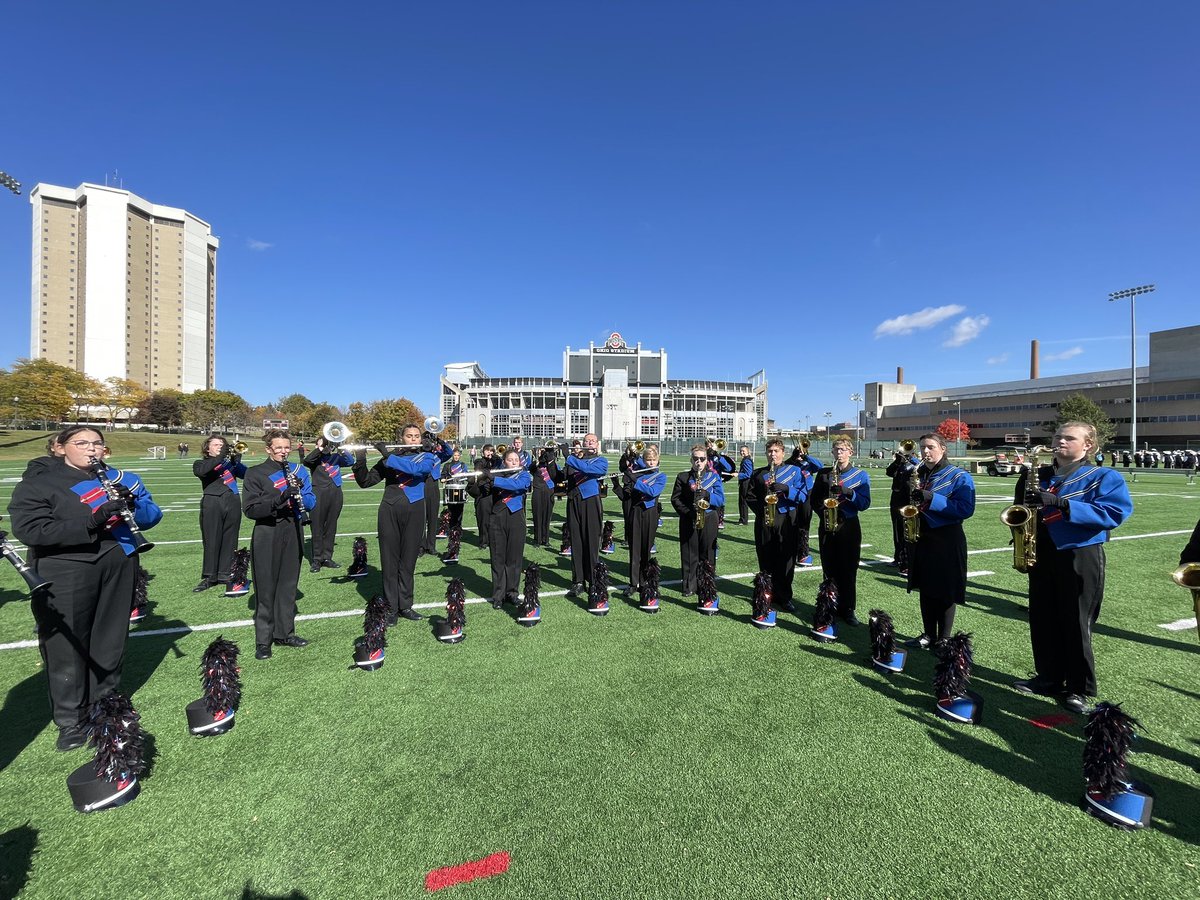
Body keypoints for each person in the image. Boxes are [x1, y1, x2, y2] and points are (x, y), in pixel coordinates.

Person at [7, 426, 162, 750]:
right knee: (66, 646)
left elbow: (150, 517)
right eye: (81, 443)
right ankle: (71, 720)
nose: (91, 449)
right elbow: (31, 530)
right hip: (64, 569)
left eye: (97, 443)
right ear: (60, 448)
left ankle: (105, 706)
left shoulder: (111, 478)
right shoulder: (38, 483)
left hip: (116, 563)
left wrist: (131, 506)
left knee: (110, 639)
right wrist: (92, 520)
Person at [1012, 422, 1133, 714]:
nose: (1060, 442)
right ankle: (1048, 677)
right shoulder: (1038, 474)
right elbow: (1023, 510)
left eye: (1069, 438)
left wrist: (1062, 504)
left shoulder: (1104, 475)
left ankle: (1079, 688)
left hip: (1080, 554)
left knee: (1076, 620)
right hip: (1042, 551)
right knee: (1042, 617)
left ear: (1088, 445)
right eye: (1058, 436)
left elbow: (1114, 513)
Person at [352, 424, 453, 624]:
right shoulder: (389, 458)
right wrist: (361, 458)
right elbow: (365, 481)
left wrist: (388, 457)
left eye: (416, 436)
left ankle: (405, 605)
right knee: (389, 561)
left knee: (408, 561)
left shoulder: (428, 457)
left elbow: (417, 470)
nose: (414, 439)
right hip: (389, 511)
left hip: (415, 511)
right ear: (402, 438)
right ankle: (390, 608)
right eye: (409, 436)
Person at [242, 430, 316, 660]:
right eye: (279, 448)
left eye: (287, 447)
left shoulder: (298, 470)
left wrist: (301, 495)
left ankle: (285, 633)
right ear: (268, 449)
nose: (284, 451)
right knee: (266, 588)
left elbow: (312, 500)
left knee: (288, 585)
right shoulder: (255, 473)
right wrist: (280, 499)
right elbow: (251, 509)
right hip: (267, 531)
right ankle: (263, 641)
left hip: (293, 529)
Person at [904, 433, 976, 649]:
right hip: (922, 537)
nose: (926, 451)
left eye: (931, 447)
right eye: (923, 447)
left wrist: (931, 498)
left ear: (943, 448)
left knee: (945, 590)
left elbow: (966, 509)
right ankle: (928, 634)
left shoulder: (959, 476)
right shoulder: (920, 474)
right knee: (925, 588)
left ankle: (944, 638)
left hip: (947, 538)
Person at [809, 439, 871, 625]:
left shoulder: (860, 475)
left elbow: (865, 503)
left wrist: (848, 493)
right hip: (827, 525)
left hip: (849, 525)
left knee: (849, 569)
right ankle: (828, 604)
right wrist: (824, 513)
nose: (839, 453)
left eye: (843, 450)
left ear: (850, 452)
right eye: (836, 449)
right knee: (829, 568)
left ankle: (848, 609)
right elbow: (814, 500)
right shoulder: (823, 473)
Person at [749, 439, 810, 612]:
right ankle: (766, 595)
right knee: (765, 557)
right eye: (769, 451)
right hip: (765, 519)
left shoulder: (795, 471)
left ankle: (784, 597)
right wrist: (762, 510)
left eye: (776, 451)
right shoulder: (758, 473)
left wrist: (786, 490)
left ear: (783, 453)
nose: (773, 454)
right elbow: (750, 496)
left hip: (786, 519)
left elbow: (803, 496)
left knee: (786, 560)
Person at [193, 435, 248, 591]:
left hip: (233, 500)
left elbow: (246, 474)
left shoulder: (229, 464)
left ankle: (226, 573)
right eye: (216, 445)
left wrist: (236, 460)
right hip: (212, 502)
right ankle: (210, 576)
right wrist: (223, 455)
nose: (219, 447)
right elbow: (203, 471)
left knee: (231, 538)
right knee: (211, 539)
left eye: (222, 445)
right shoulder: (201, 463)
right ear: (207, 448)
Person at [612, 445, 666, 595]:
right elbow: (625, 497)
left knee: (645, 549)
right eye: (648, 460)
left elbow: (653, 492)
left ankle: (644, 582)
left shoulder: (660, 476)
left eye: (653, 460)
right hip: (636, 512)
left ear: (657, 461)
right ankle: (633, 583)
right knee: (634, 549)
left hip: (650, 513)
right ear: (643, 460)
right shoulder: (637, 475)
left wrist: (634, 480)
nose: (651, 463)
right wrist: (616, 484)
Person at [482, 449, 532, 608]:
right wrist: (482, 478)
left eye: (516, 459)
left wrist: (494, 480)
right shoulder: (497, 475)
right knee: (498, 557)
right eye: (510, 459)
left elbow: (519, 485)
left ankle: (512, 593)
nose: (514, 462)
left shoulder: (523, 475)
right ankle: (498, 595)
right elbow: (480, 493)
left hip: (516, 517)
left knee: (514, 558)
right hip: (497, 517)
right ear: (504, 462)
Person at [671, 445, 724, 596]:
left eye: (702, 459)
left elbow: (720, 500)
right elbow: (675, 499)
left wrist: (708, 495)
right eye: (695, 459)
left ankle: (706, 584)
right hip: (689, 518)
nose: (698, 462)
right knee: (688, 553)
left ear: (707, 460)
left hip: (709, 517)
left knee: (707, 553)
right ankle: (689, 586)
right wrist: (688, 513)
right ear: (691, 460)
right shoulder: (683, 477)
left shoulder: (714, 477)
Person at [303, 436, 356, 572]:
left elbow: (350, 461)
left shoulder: (336, 457)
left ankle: (327, 557)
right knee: (317, 526)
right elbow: (307, 461)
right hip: (319, 493)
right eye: (323, 443)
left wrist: (341, 449)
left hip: (335, 493)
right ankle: (316, 559)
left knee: (331, 526)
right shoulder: (315, 458)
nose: (327, 445)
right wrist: (320, 449)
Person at [564, 433, 608, 596]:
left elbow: (590, 470)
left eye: (592, 441)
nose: (588, 443)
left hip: (590, 501)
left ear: (596, 444)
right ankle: (578, 581)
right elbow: (561, 477)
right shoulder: (576, 460)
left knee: (591, 541)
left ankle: (594, 580)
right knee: (576, 541)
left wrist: (569, 457)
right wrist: (549, 461)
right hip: (573, 500)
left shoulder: (601, 461)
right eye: (586, 441)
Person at [885, 443, 921, 573]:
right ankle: (898, 557)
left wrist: (910, 459)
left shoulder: (916, 462)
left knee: (909, 530)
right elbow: (889, 472)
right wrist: (897, 461)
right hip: (896, 499)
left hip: (909, 499)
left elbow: (919, 469)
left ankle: (909, 559)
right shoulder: (899, 463)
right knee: (897, 530)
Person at [529, 440, 559, 548]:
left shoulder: (552, 463)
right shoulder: (536, 463)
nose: (545, 452)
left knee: (547, 515)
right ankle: (537, 540)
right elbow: (531, 469)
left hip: (549, 490)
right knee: (537, 515)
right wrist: (538, 459)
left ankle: (545, 539)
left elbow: (555, 475)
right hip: (537, 490)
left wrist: (550, 460)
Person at [470, 444, 497, 549]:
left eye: (491, 451)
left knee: (493, 519)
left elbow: (500, 463)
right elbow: (479, 468)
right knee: (483, 519)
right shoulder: (479, 461)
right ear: (483, 451)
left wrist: (494, 457)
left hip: (493, 492)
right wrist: (487, 465)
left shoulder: (495, 461)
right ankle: (483, 542)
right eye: (487, 451)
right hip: (483, 494)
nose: (489, 453)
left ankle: (492, 540)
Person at [440, 447, 470, 535]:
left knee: (460, 510)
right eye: (454, 455)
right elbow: (443, 475)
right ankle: (450, 528)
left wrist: (467, 477)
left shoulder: (463, 465)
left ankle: (458, 528)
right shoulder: (447, 465)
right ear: (452, 456)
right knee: (451, 509)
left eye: (457, 455)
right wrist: (442, 479)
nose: (456, 457)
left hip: (460, 489)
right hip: (450, 489)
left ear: (460, 456)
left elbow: (467, 475)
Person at [736, 446, 754, 525]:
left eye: (743, 451)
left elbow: (748, 474)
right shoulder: (746, 459)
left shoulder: (747, 461)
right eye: (741, 451)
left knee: (743, 501)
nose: (742, 452)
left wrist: (738, 474)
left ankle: (743, 520)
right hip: (744, 482)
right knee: (742, 501)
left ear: (747, 451)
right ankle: (742, 519)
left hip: (746, 482)